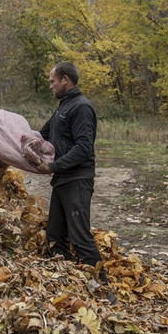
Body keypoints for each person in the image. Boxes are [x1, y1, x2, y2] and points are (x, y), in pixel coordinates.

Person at [34, 61, 114, 301]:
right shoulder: (63, 107)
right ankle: (69, 286)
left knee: (80, 236)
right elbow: (41, 135)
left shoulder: (81, 107)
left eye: (52, 81)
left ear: (65, 79)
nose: (51, 86)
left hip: (77, 180)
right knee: (56, 236)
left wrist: (53, 166)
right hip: (63, 180)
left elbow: (83, 148)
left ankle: (105, 293)